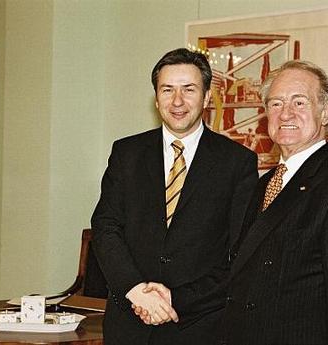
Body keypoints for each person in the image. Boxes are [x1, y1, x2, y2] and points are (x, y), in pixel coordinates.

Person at [91, 48, 258, 345]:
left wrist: (175, 298)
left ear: (206, 97)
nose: (177, 101)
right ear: (156, 99)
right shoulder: (126, 153)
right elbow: (105, 228)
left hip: (198, 327)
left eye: (189, 89)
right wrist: (137, 291)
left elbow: (240, 256)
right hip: (129, 326)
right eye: (167, 90)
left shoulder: (237, 163)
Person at [218, 60, 328, 345]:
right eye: (276, 104)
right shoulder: (263, 184)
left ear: (326, 111)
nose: (286, 114)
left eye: (299, 102)